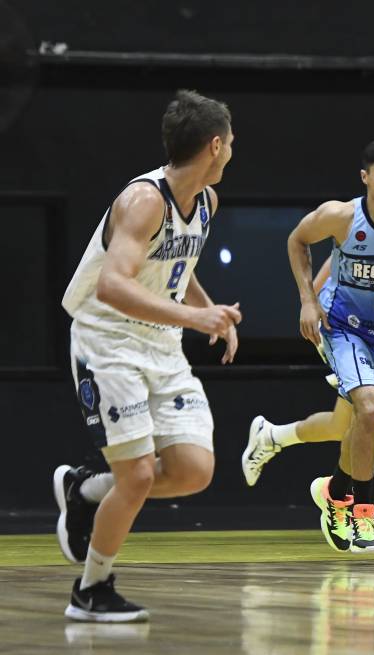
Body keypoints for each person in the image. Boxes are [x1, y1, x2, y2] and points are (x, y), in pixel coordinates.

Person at [54, 89, 241, 621]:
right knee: (137, 476)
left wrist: (208, 310)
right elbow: (113, 285)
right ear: (214, 145)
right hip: (108, 341)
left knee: (192, 470)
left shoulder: (205, 200)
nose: (232, 150)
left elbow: (177, 265)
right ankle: (91, 590)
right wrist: (195, 318)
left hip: (161, 344)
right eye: (230, 142)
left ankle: (85, 488)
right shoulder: (143, 200)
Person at [242, 182, 374, 541]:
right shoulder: (362, 241)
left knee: (345, 423)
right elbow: (321, 283)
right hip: (343, 333)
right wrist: (313, 308)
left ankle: (272, 437)